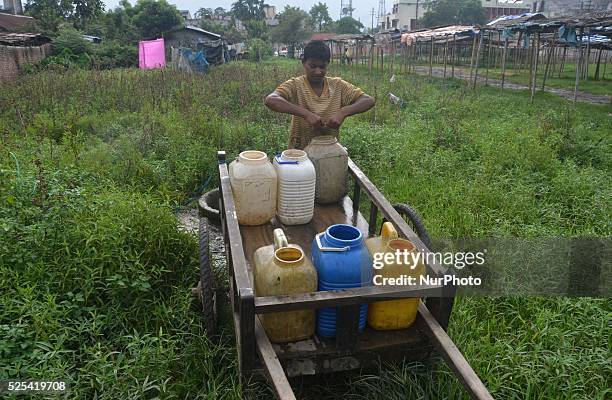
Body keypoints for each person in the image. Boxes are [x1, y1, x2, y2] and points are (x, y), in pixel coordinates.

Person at [264, 40, 375, 150]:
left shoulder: (337, 85)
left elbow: (368, 100)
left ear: (328, 64)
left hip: (329, 151)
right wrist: (307, 114)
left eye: (322, 67)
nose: (318, 71)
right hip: (300, 152)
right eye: (313, 66)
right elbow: (271, 100)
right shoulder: (295, 84)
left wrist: (343, 113)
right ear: (303, 62)